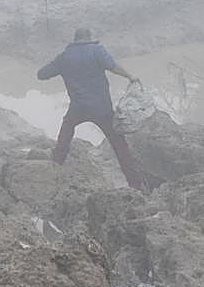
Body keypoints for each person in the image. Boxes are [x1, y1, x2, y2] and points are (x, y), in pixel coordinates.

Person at [37, 27, 145, 189]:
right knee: (119, 145)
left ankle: (56, 164)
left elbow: (42, 74)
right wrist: (130, 76)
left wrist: (57, 65)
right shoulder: (97, 50)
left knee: (66, 131)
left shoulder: (65, 56)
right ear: (88, 37)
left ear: (75, 39)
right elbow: (113, 66)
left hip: (78, 108)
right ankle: (136, 184)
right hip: (102, 109)